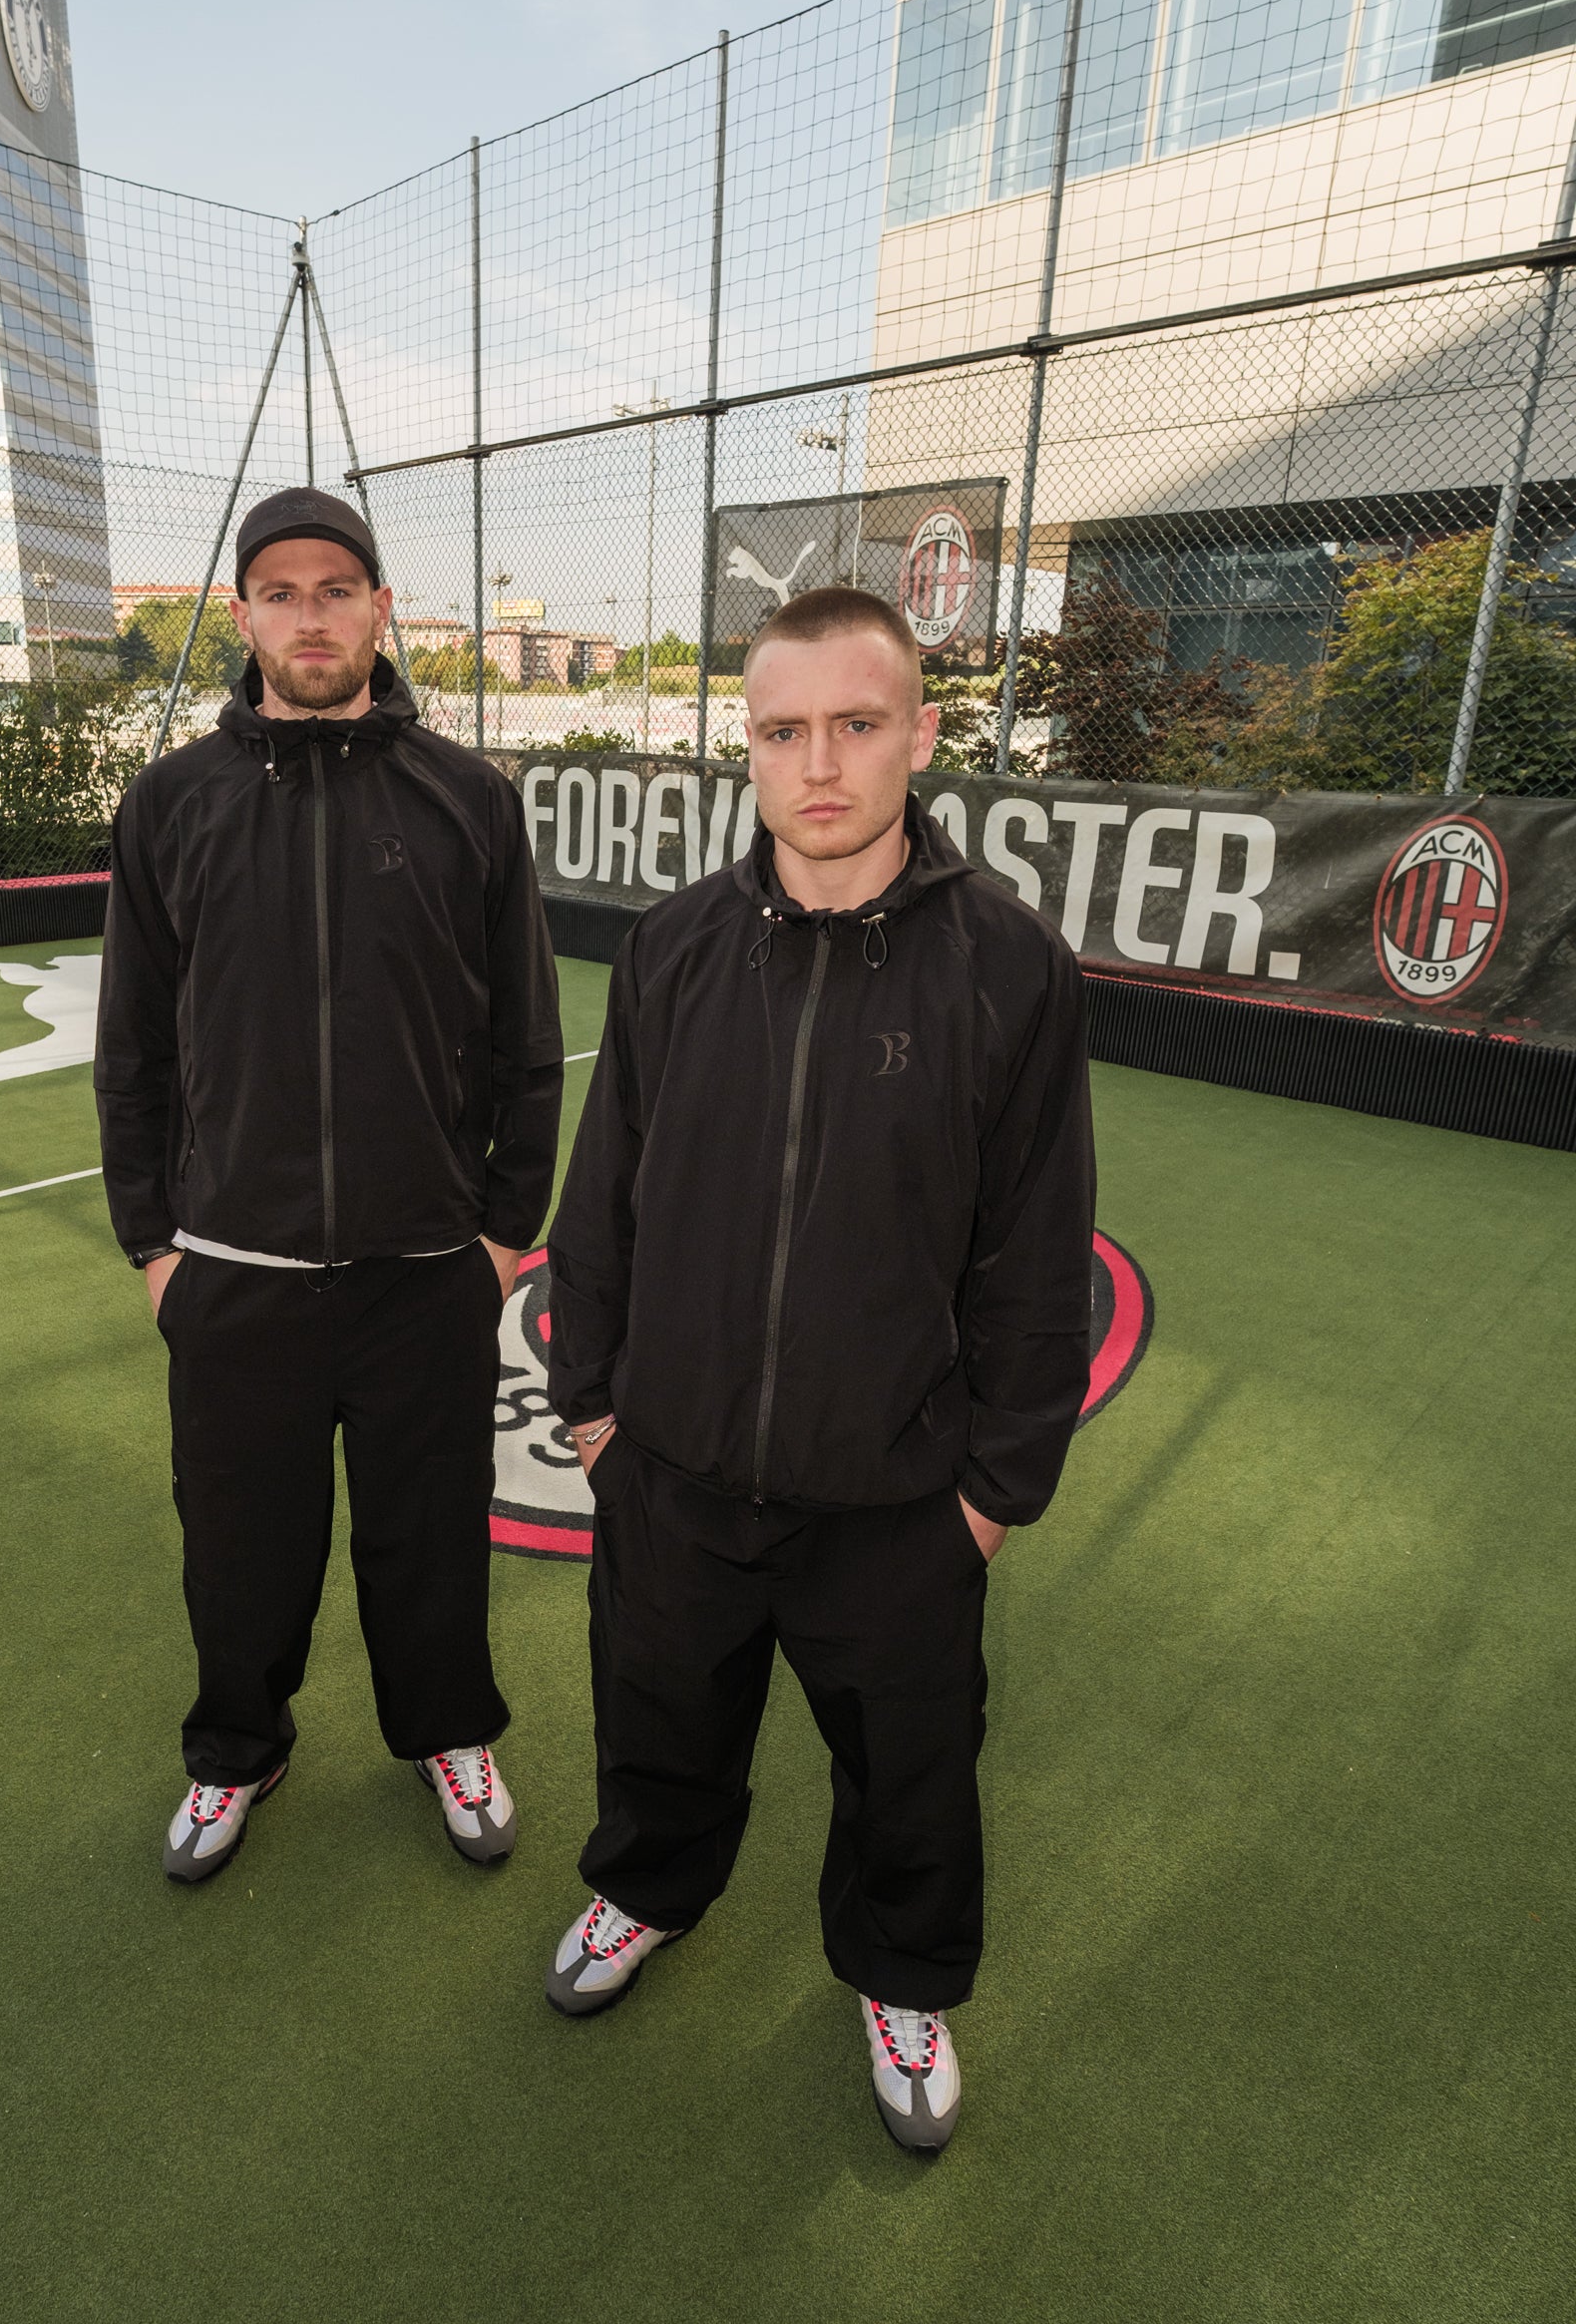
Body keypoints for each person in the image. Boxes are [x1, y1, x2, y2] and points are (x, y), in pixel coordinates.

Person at [542, 585, 1094, 2152]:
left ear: (923, 734)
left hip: (898, 1500)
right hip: (674, 1472)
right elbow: (606, 1198)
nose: (823, 763)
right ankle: (645, 1891)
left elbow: (1038, 1256)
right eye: (784, 731)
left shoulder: (1010, 970)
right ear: (748, 749)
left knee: (913, 1771)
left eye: (859, 725)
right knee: (659, 1721)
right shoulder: (670, 951)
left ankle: (902, 1975)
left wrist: (993, 1494)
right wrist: (597, 1407)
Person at [96, 486, 563, 1887]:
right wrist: (154, 1252)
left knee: (430, 1541)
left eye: (336, 590)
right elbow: (133, 1052)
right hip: (234, 1275)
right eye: (282, 593)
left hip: (427, 1271)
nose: (312, 616)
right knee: (240, 1551)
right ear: (243, 618)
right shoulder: (172, 802)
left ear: (380, 609)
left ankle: (448, 1736)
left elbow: (528, 1046)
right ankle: (237, 1749)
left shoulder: (469, 798)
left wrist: (498, 1238)